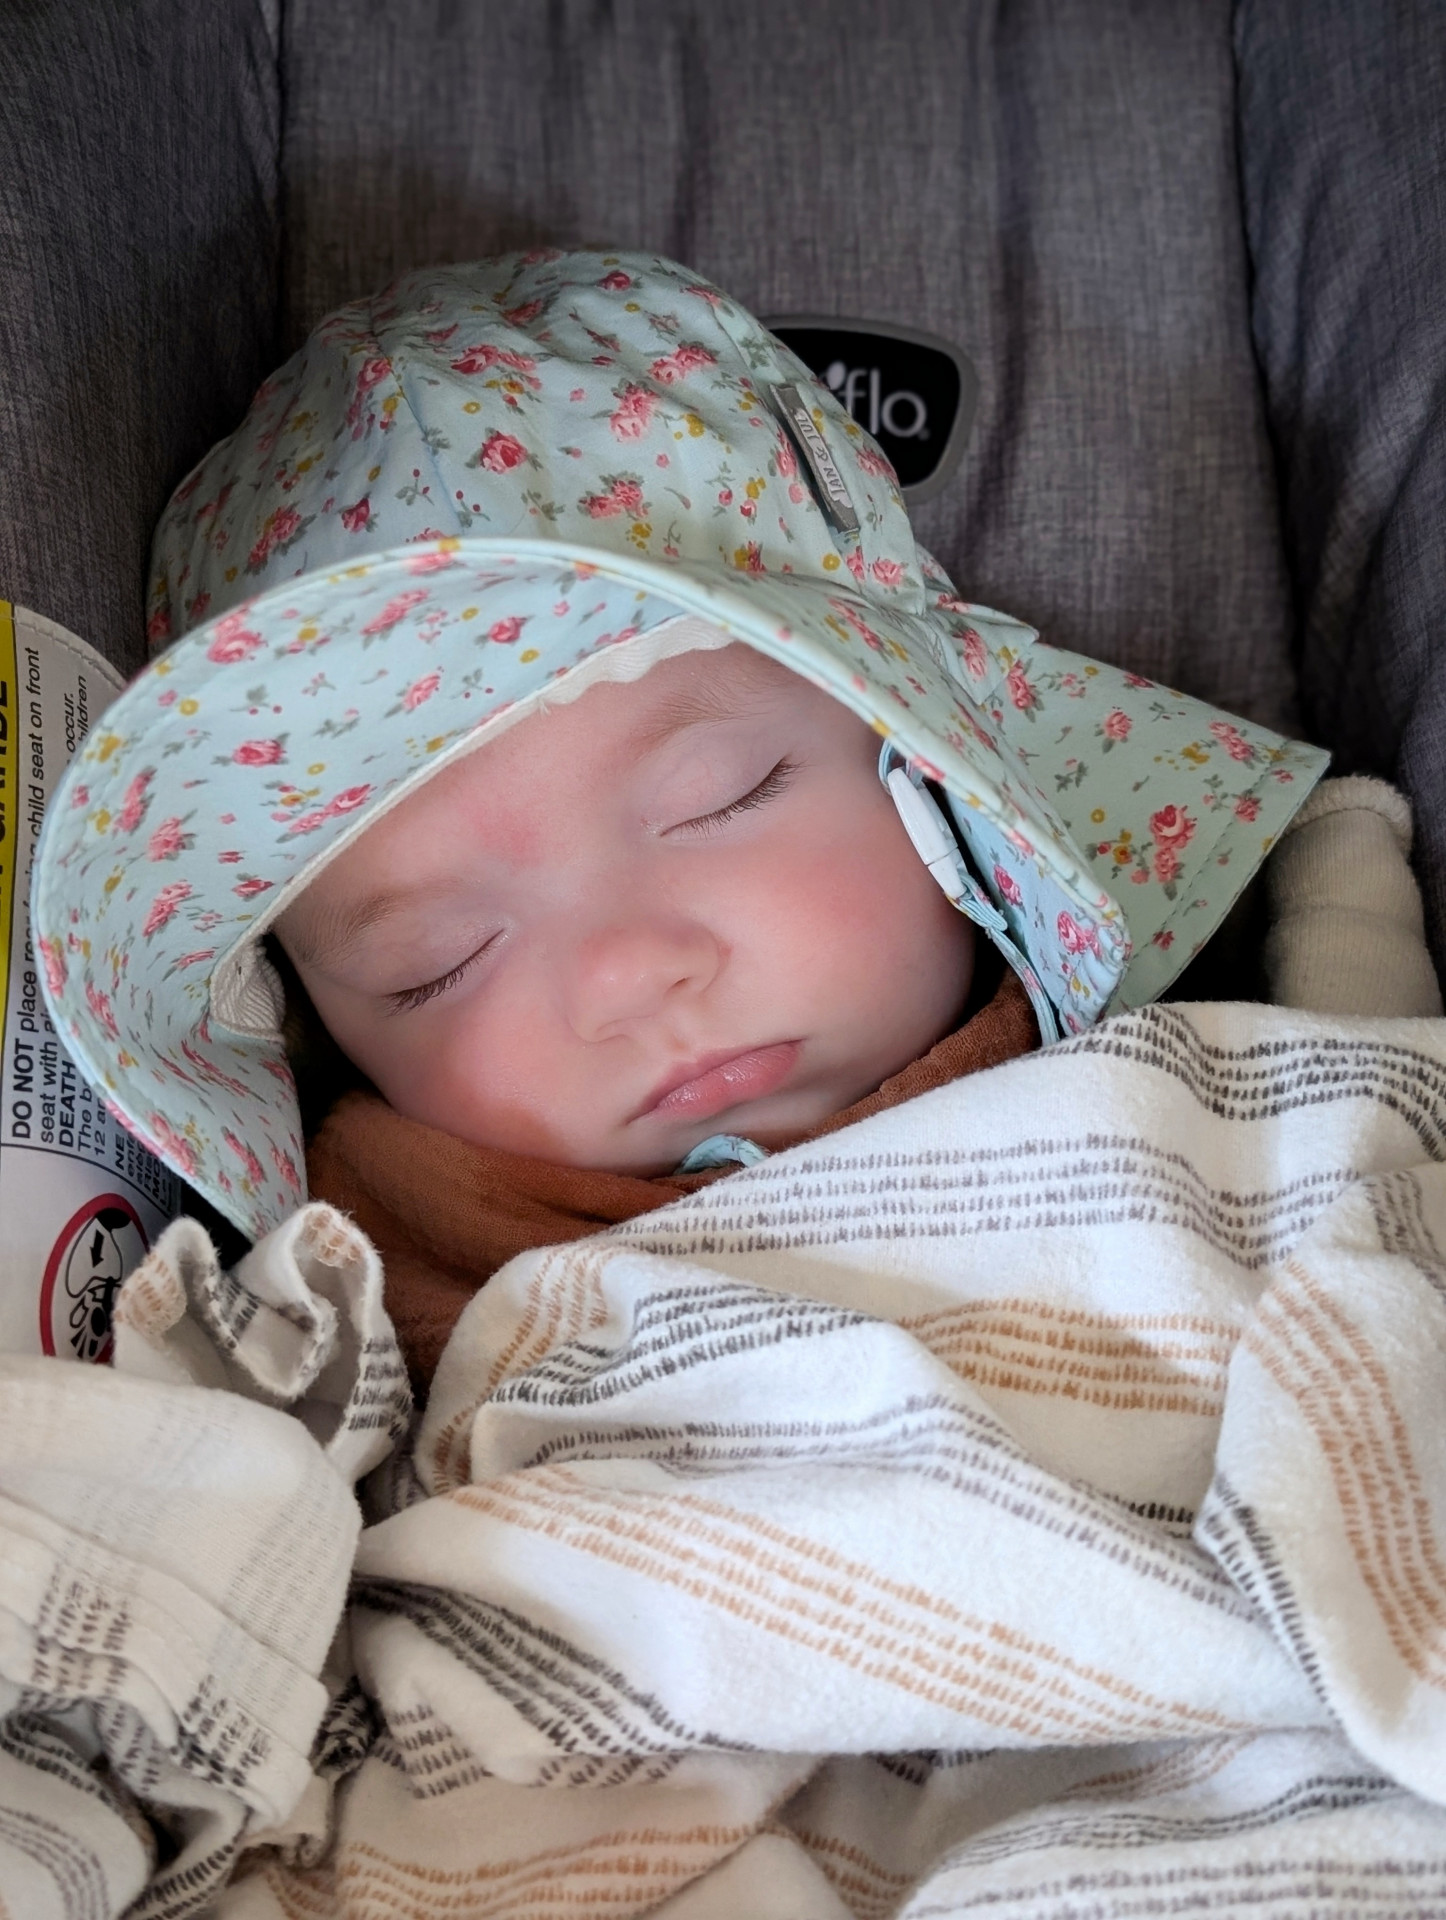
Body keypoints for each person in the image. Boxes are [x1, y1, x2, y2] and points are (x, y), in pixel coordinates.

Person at [34, 248, 1432, 1387]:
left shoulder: (1180, 1075)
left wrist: (1344, 922)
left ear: (921, 755)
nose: (629, 973)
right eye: (433, 963)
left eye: (726, 797)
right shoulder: (341, 1306)